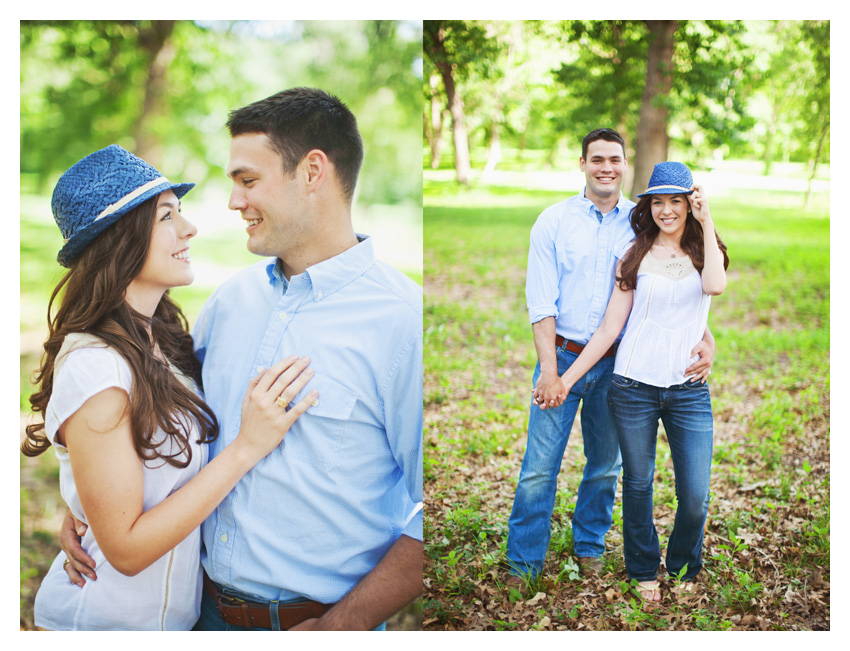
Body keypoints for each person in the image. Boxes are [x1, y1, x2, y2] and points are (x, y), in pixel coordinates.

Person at [60, 89, 423, 631]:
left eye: (248, 181)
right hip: (194, 615)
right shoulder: (230, 302)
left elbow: (427, 515)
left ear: (313, 172)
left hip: (314, 623)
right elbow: (159, 419)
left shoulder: (402, 322)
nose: (232, 202)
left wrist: (334, 630)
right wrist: (93, 493)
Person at [23, 145, 317, 630]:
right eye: (166, 216)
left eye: (180, 213)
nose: (189, 229)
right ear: (121, 238)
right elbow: (127, 551)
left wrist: (88, 508)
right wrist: (246, 449)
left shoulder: (164, 338)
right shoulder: (95, 366)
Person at [506, 130, 715, 588]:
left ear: (625, 165)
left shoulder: (640, 224)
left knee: (605, 466)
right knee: (539, 468)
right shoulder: (553, 222)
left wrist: (707, 337)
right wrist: (549, 371)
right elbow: (541, 303)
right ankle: (523, 564)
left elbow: (670, 289)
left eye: (615, 159)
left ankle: (589, 547)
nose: (606, 167)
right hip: (561, 356)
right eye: (596, 158)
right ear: (582, 163)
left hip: (619, 367)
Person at [555, 161, 729, 601]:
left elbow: (715, 286)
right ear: (648, 204)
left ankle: (684, 566)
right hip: (633, 386)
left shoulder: (706, 250)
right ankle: (643, 568)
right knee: (637, 482)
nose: (666, 210)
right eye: (658, 202)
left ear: (690, 204)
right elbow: (611, 328)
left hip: (688, 390)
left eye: (676, 201)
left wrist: (707, 221)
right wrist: (565, 378)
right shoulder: (633, 254)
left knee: (695, 494)